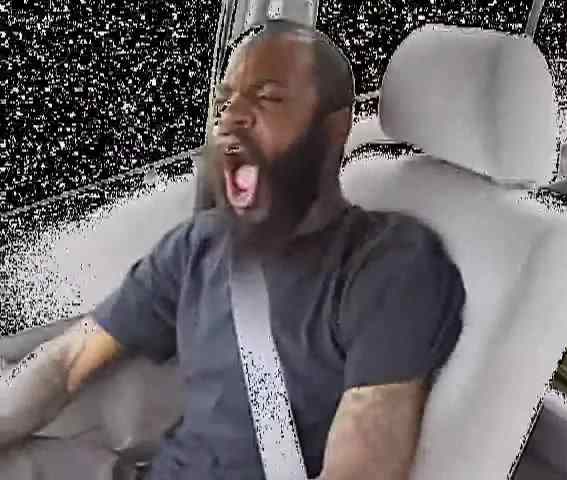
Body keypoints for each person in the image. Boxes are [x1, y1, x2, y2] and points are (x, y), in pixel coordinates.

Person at [0, 19, 465, 480]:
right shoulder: (198, 245)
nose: (231, 117)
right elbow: (69, 360)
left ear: (334, 128)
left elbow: (360, 469)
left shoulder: (389, 264)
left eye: (268, 98)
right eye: (224, 102)